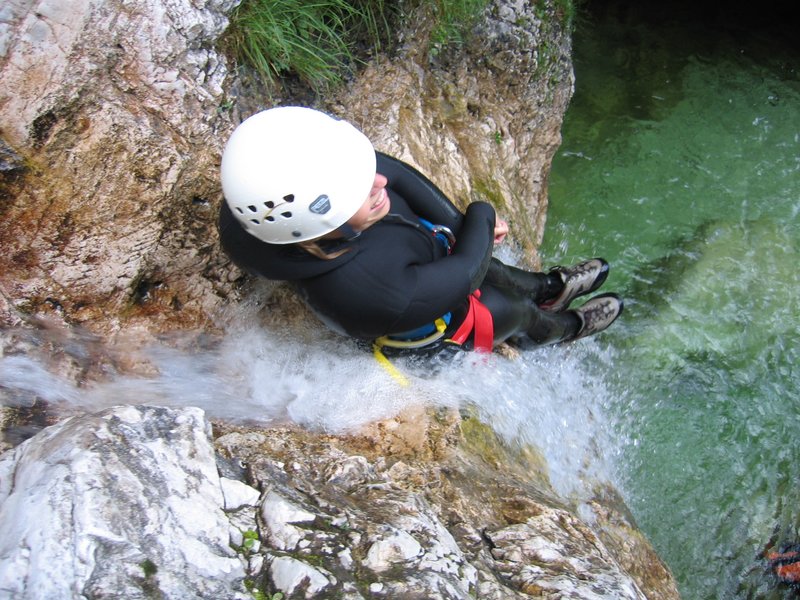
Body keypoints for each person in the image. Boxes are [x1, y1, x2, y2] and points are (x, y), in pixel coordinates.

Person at [217, 106, 623, 355]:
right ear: (317, 221)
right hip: (427, 318)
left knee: (501, 274)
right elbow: (466, 270)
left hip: (417, 257)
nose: (379, 183)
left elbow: (397, 176)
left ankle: (547, 286)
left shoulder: (275, 201)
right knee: (513, 311)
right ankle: (565, 329)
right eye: (358, 190)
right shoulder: (370, 291)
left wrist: (464, 226)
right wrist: (481, 215)